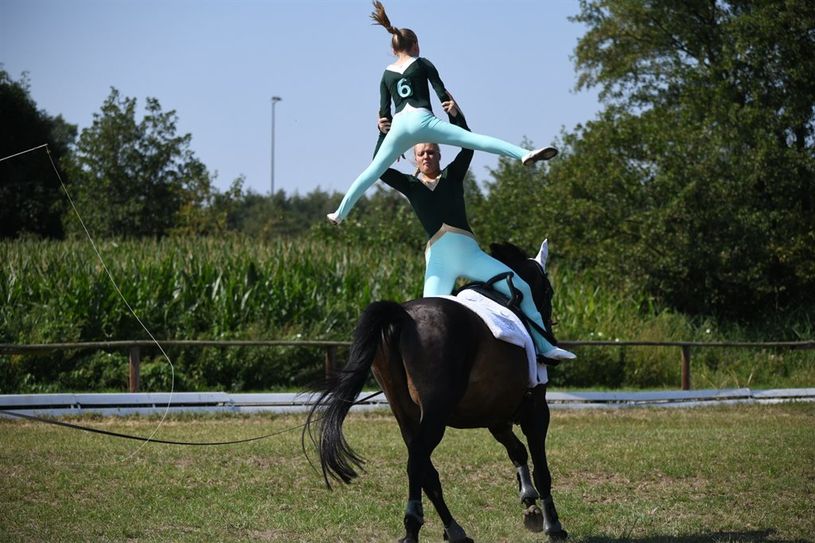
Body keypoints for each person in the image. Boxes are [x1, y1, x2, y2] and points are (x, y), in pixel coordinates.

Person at [373, 98, 575, 362]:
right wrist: (383, 135)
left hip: (470, 255)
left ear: (439, 155)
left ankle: (545, 346)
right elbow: (379, 168)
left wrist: (456, 116)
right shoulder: (410, 186)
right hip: (438, 262)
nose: (426, 157)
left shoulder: (452, 176)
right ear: (414, 158)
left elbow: (468, 145)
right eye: (421, 153)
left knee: (522, 286)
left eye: (431, 152)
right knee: (427, 319)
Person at [327, 0, 558, 225]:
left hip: (398, 128)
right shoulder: (423, 63)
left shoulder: (386, 74)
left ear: (393, 49)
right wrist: (452, 108)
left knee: (372, 171)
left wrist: (385, 135)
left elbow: (383, 114)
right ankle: (523, 154)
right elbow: (441, 91)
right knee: (475, 140)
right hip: (423, 120)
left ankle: (340, 212)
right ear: (415, 45)